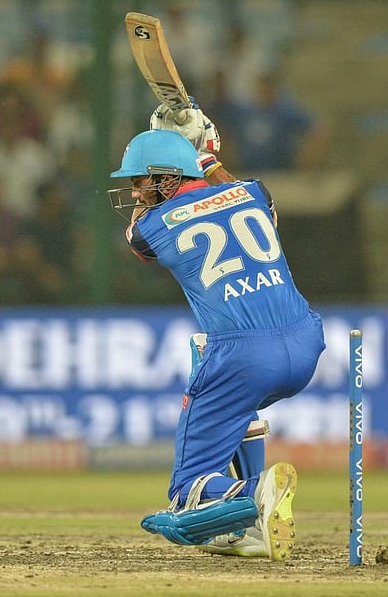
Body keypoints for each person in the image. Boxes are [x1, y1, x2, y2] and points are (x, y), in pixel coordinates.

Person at [108, 106, 325, 562]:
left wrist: (182, 153)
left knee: (188, 491)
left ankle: (256, 493)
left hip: (244, 358)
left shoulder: (152, 226)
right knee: (221, 377)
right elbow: (242, 198)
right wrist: (205, 155)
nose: (135, 193)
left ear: (166, 178)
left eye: (140, 182)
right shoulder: (253, 192)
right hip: (306, 341)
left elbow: (137, 240)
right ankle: (251, 531)